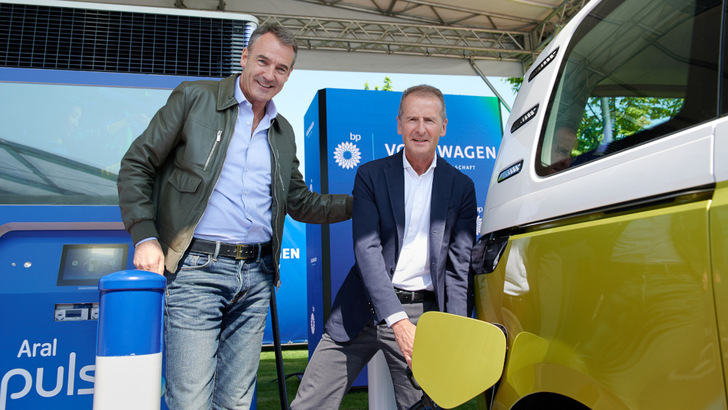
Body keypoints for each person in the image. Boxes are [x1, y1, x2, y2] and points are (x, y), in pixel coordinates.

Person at [116, 23, 352, 410]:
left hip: (256, 278)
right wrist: (144, 235)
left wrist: (363, 203)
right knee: (190, 401)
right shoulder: (194, 98)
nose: (269, 74)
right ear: (244, 58)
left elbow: (301, 202)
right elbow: (136, 165)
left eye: (281, 69)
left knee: (236, 403)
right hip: (195, 273)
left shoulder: (283, 131)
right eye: (263, 61)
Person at [291, 85, 477, 410]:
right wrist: (398, 321)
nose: (420, 129)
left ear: (444, 127)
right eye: (412, 119)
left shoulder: (461, 187)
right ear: (399, 125)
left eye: (429, 120)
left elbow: (458, 270)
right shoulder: (371, 176)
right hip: (362, 307)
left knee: (422, 408)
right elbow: (367, 250)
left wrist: (455, 334)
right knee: (309, 404)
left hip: (424, 317)